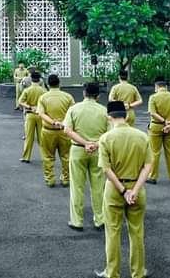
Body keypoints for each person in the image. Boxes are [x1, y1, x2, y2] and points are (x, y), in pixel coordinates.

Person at [94, 101, 152, 278]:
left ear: (109, 117)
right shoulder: (142, 136)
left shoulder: (106, 138)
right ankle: (138, 272)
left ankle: (112, 272)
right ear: (126, 116)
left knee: (112, 232)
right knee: (137, 232)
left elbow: (106, 169)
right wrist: (134, 190)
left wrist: (123, 191)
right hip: (137, 189)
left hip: (114, 190)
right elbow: (148, 166)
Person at [63, 82, 109, 231]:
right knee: (98, 187)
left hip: (78, 149)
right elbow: (109, 134)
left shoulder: (73, 109)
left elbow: (67, 130)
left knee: (77, 187)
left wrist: (85, 143)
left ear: (84, 93)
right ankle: (100, 219)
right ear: (98, 96)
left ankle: (77, 221)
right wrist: (94, 144)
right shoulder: (104, 111)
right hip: (98, 151)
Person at [36, 74, 75, 188]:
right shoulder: (68, 97)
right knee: (66, 156)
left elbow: (41, 113)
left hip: (48, 131)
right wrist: (62, 122)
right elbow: (72, 113)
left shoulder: (43, 97)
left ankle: (50, 179)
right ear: (59, 83)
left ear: (48, 85)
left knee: (48, 156)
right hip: (65, 131)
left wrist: (53, 122)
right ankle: (66, 179)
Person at [146, 76, 170, 185]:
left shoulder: (153, 97)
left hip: (156, 127)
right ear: (166, 86)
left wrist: (163, 121)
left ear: (156, 86)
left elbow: (152, 113)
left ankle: (153, 177)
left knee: (155, 152)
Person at [19, 72, 47, 163]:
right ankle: (45, 156)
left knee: (28, 137)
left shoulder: (27, 90)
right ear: (39, 80)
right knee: (41, 138)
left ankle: (26, 157)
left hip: (30, 114)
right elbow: (47, 102)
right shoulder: (43, 91)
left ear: (31, 79)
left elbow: (20, 101)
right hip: (40, 115)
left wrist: (29, 107)